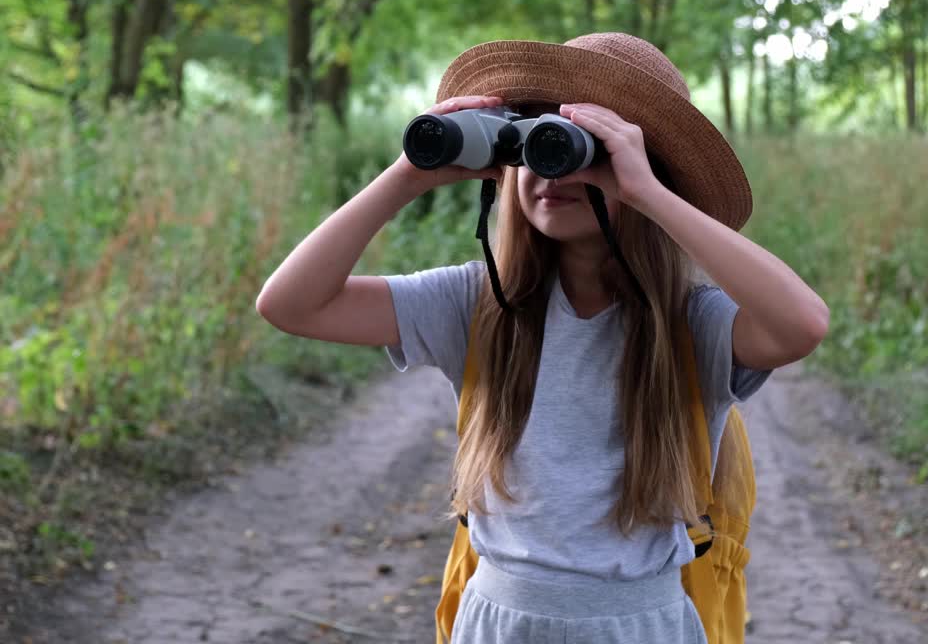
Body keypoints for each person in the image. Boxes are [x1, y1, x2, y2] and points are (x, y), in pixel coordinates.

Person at [255, 32, 829, 644]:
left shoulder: (692, 324)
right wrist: (408, 174)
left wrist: (649, 193)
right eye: (533, 141)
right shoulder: (478, 304)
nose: (550, 168)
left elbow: (803, 323)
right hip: (498, 622)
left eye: (586, 149)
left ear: (638, 166)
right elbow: (292, 304)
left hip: (639, 625)